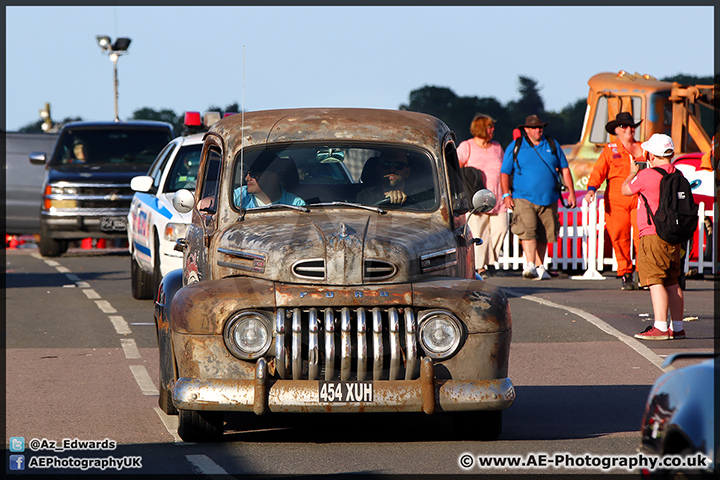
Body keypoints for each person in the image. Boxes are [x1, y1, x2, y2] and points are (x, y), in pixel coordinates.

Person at [621, 133, 685, 340]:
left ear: (651, 155)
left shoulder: (647, 175)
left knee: (655, 280)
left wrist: (632, 173)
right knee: (673, 281)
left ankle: (660, 326)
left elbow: (625, 190)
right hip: (674, 236)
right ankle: (677, 326)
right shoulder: (678, 174)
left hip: (652, 234)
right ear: (672, 153)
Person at [500, 114, 577, 280]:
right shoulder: (516, 146)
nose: (538, 130)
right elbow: (505, 172)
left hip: (549, 197)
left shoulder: (552, 144)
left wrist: (571, 192)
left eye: (540, 127)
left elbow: (564, 169)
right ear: (526, 129)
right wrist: (506, 194)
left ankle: (540, 265)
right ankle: (530, 264)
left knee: (545, 234)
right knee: (528, 230)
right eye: (534, 127)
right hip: (523, 196)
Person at [584, 112, 644, 290]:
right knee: (620, 236)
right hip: (616, 199)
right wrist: (591, 189)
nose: (629, 129)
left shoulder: (643, 148)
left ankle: (643, 274)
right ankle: (625, 273)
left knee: (642, 237)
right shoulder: (610, 149)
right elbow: (599, 171)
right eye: (625, 126)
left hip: (639, 198)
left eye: (632, 126)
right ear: (617, 130)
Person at [457, 114, 507, 278]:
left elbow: (505, 171)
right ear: (480, 128)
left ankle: (490, 260)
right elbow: (455, 169)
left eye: (492, 127)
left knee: (501, 229)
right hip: (477, 198)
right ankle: (480, 267)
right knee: (480, 233)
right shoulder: (467, 146)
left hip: (498, 198)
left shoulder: (497, 147)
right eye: (489, 127)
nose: (492, 130)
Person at [233, 154, 305, 209]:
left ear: (271, 177)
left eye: (253, 175)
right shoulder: (238, 197)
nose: (247, 178)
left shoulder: (296, 205)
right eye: (246, 173)